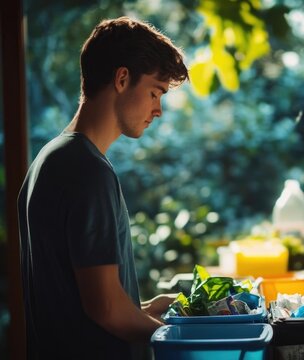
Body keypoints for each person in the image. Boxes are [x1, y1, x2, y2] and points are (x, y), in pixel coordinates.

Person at [17, 16, 188, 359]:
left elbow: (80, 300)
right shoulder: (87, 170)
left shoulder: (49, 159)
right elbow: (106, 309)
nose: (158, 111)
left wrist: (142, 309)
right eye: (155, 92)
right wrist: (183, 334)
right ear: (122, 79)